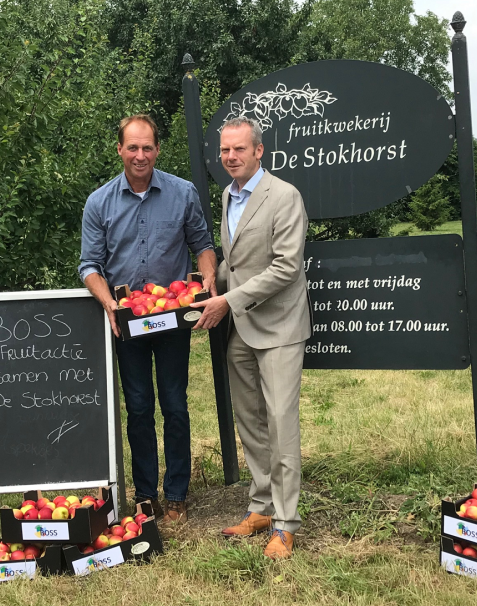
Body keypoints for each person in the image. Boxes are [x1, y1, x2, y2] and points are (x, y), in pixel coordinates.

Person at [79, 114, 217, 524]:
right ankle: (144, 493)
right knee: (138, 407)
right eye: (132, 147)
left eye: (147, 147)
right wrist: (108, 304)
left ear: (157, 150)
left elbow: (202, 244)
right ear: (120, 149)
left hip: (172, 318)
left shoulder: (183, 193)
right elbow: (89, 266)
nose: (140, 155)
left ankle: (176, 492)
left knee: (174, 403)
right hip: (128, 322)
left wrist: (207, 274)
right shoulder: (99, 202)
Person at [191, 116, 311, 558]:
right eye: (225, 151)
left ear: (259, 151)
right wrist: (204, 286)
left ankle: (285, 523)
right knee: (251, 423)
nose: (231, 157)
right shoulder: (227, 195)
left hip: (278, 327)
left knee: (281, 425)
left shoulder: (284, 196)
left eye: (239, 149)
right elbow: (236, 260)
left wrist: (228, 300)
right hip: (240, 327)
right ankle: (261, 506)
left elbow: (286, 267)